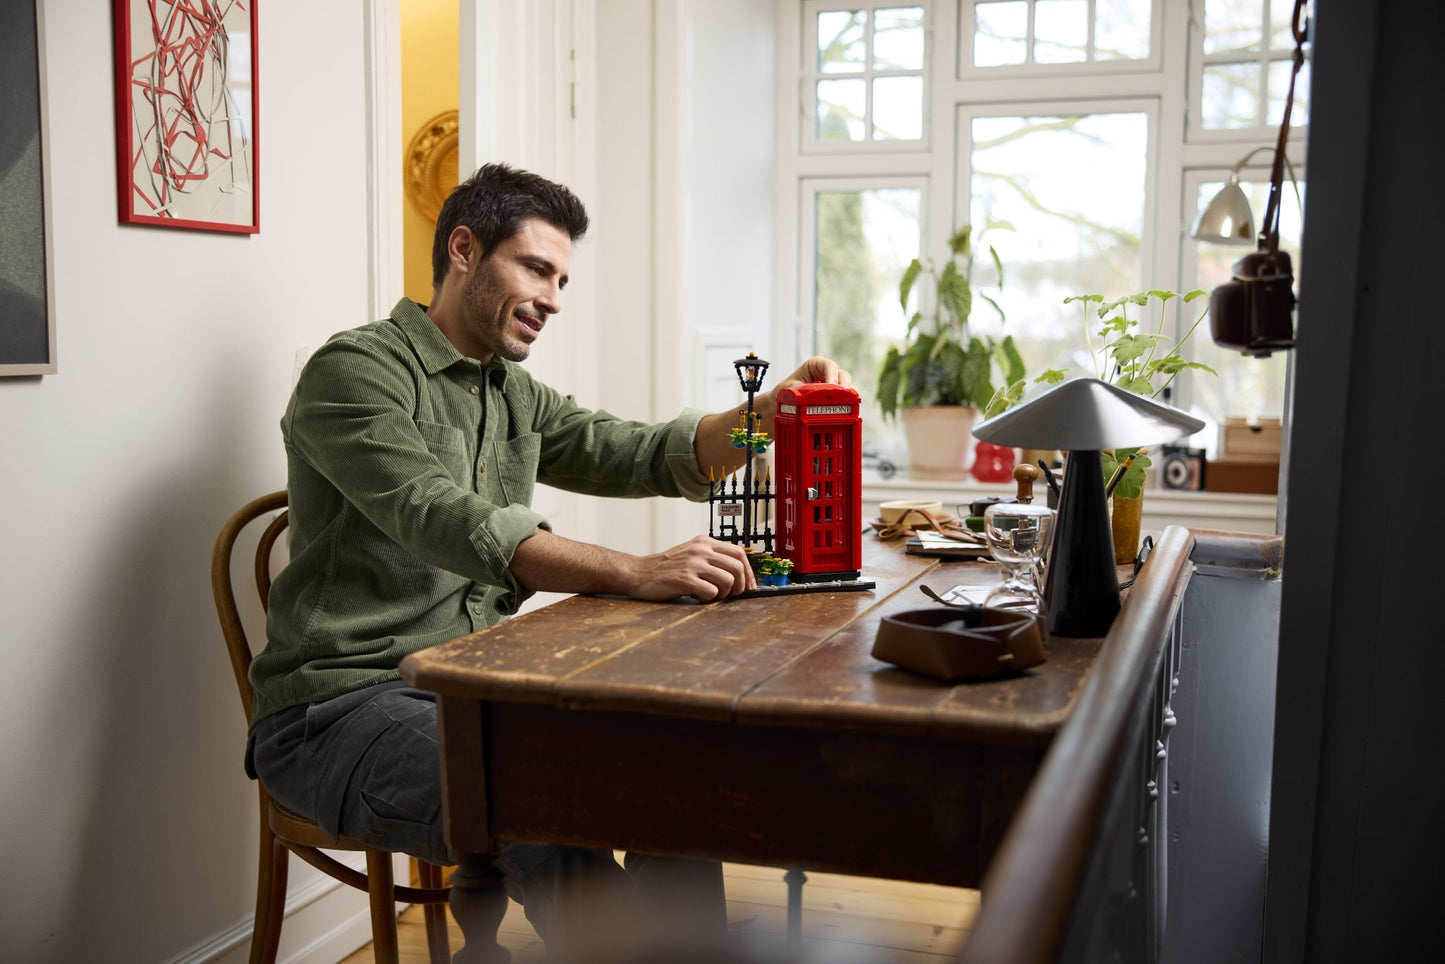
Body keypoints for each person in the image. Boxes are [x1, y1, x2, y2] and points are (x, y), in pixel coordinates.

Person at [244, 162, 851, 963]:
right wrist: (635, 571)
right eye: (536, 268)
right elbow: (442, 516)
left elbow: (639, 454)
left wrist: (762, 420)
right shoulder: (353, 371)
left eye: (561, 277)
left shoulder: (511, 392)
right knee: (547, 808)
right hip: (337, 712)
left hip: (472, 690)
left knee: (677, 774)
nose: (555, 298)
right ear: (464, 249)